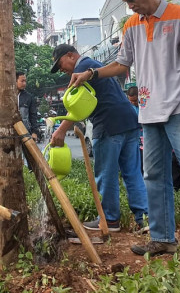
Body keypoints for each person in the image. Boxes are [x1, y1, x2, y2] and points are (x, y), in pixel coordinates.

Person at [68, 0, 180, 261]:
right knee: (153, 175)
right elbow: (121, 64)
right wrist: (91, 73)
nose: (130, 6)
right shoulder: (131, 25)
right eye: (126, 2)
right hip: (148, 112)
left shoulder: (179, 15)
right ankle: (163, 239)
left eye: (132, 0)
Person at [50, 44, 148, 232]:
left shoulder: (81, 68)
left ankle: (109, 220)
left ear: (70, 55)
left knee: (106, 174)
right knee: (133, 172)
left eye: (60, 64)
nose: (61, 69)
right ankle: (144, 218)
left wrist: (61, 130)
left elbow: (78, 106)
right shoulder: (94, 64)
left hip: (109, 124)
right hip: (129, 120)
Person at [17, 72, 39, 141]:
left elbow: (33, 115)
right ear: (15, 81)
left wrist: (34, 132)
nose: (24, 83)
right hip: (10, 133)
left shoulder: (29, 97)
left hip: (26, 132)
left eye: (25, 81)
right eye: (22, 81)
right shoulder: (8, 96)